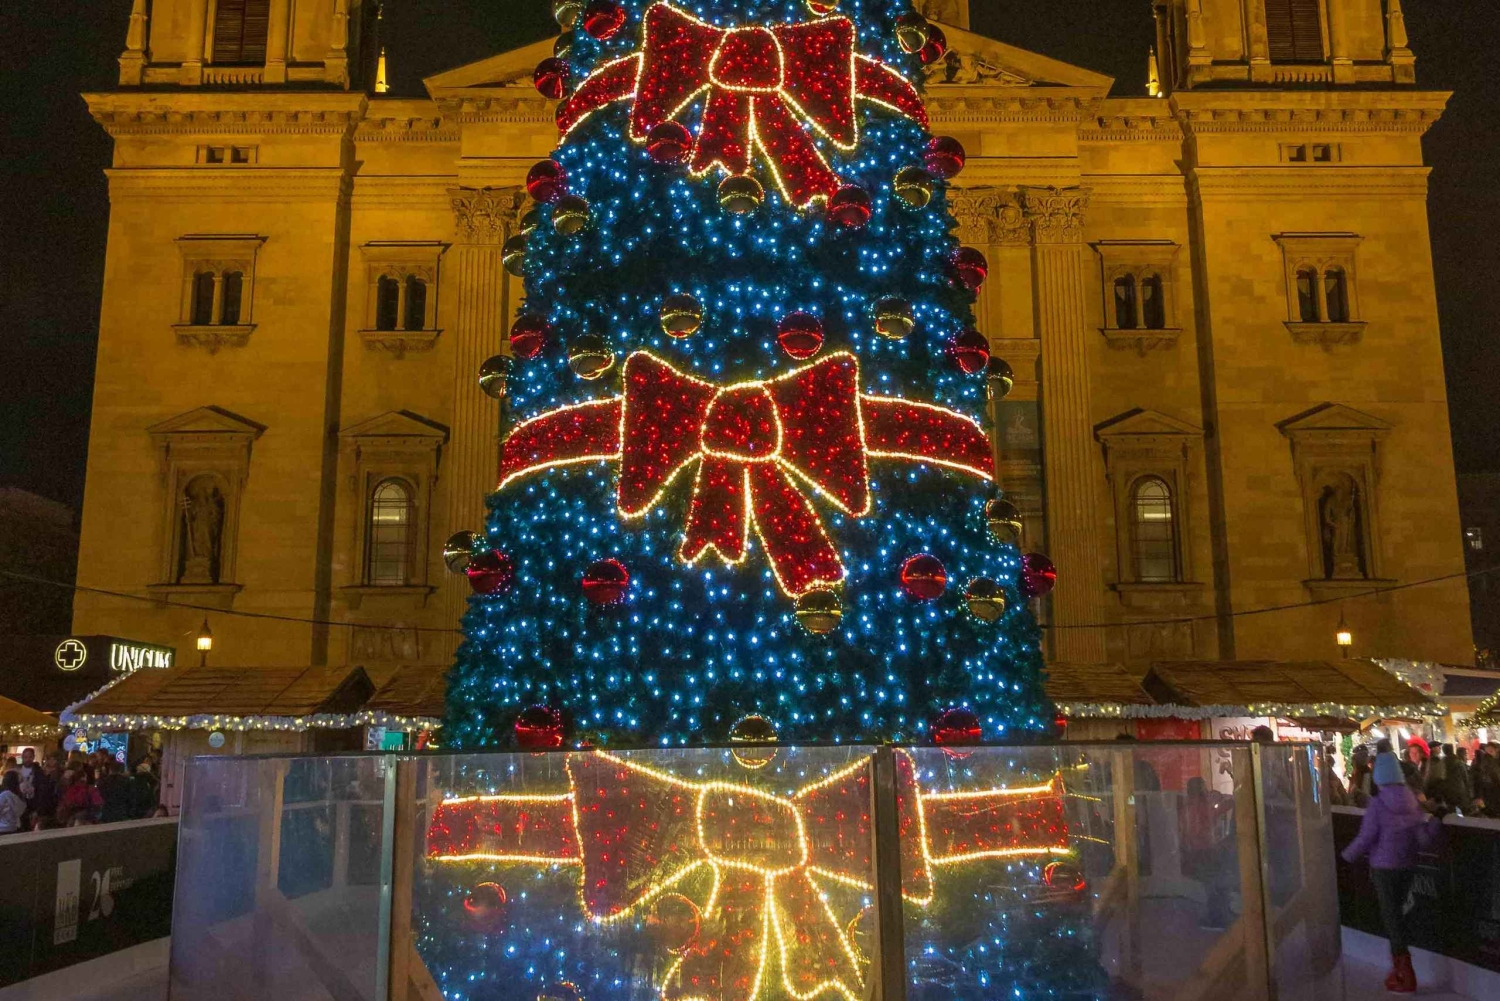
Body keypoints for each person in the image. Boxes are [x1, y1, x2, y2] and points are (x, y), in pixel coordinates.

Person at [1341, 750, 1443, 993]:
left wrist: (1347, 856)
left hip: (1383, 869)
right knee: (1399, 916)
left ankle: (1405, 974)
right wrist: (1437, 818)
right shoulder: (1411, 801)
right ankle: (1401, 969)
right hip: (1408, 866)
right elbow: (1424, 839)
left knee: (1391, 918)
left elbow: (1366, 837)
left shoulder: (1377, 804)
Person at [1178, 777, 1234, 929]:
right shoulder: (1203, 806)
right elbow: (1218, 811)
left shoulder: (1186, 808)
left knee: (1210, 885)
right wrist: (1236, 798)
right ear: (1202, 789)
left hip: (1195, 851)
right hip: (1207, 850)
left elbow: (1184, 833)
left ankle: (1217, 915)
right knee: (1217, 884)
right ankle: (1218, 918)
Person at [1436, 743, 1472, 813]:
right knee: (1461, 812)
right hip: (1459, 791)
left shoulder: (1441, 762)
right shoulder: (1458, 762)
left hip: (1447, 792)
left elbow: (1440, 777)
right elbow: (1465, 778)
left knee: (1452, 811)